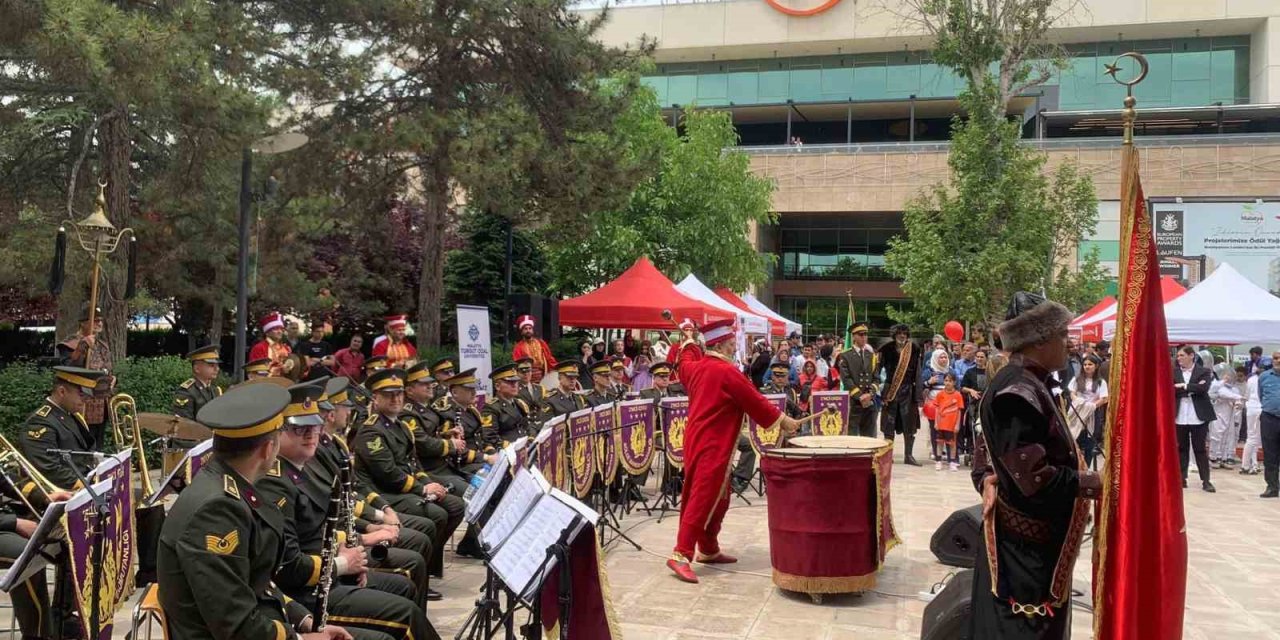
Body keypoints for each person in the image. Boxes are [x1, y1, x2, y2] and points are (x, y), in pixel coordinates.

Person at [158, 383, 359, 640]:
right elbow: (236, 625)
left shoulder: (228, 487)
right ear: (267, 449)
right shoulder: (217, 510)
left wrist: (303, 619)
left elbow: (257, 581)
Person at [969, 292, 1101, 639]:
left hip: (1034, 554)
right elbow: (1036, 481)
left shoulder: (1032, 383)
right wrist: (1097, 483)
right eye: (1062, 334)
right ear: (1038, 339)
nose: (1068, 343)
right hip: (1023, 559)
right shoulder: (1018, 392)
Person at [257, 382, 435, 635]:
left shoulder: (302, 468)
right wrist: (343, 563)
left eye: (314, 426)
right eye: (298, 429)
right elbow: (288, 565)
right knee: (405, 611)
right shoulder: (275, 482)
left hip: (326, 574)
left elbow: (321, 529)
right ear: (277, 433)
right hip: (306, 592)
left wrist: (349, 554)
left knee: (403, 588)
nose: (310, 435)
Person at [666, 318, 800, 584]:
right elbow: (754, 400)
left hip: (699, 439)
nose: (733, 349)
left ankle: (708, 546)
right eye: (731, 344)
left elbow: (683, 363)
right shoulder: (727, 372)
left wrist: (690, 342)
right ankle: (681, 553)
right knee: (703, 495)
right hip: (713, 442)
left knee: (721, 495)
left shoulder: (696, 367)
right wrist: (785, 420)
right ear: (725, 345)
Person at [350, 369, 464, 578]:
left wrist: (428, 483)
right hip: (383, 492)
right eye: (388, 395)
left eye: (398, 394)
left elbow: (413, 463)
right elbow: (388, 473)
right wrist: (422, 489)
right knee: (436, 515)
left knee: (455, 506)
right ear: (375, 398)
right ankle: (421, 570)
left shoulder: (401, 426)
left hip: (402, 488)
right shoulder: (370, 430)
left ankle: (429, 568)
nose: (395, 399)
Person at [876, 324, 923, 466]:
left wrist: (918, 394)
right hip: (891, 390)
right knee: (889, 424)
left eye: (904, 333)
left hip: (908, 391)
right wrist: (878, 389)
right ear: (894, 334)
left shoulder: (914, 349)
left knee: (909, 424)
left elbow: (917, 373)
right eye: (899, 333)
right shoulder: (886, 349)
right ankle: (888, 456)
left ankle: (908, 455)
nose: (902, 336)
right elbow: (877, 370)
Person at [1173, 345, 1216, 492]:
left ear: (1191, 355)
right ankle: (1181, 478)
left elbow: (1203, 389)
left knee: (1200, 449)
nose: (1179, 358)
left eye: (1182, 355)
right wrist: (1192, 388)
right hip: (1180, 415)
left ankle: (1206, 480)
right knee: (1181, 448)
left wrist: (1184, 386)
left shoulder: (1203, 371)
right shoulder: (1174, 372)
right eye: (1178, 356)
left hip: (1198, 415)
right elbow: (1170, 389)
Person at [837, 323, 880, 437]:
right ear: (854, 336)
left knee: (870, 437)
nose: (864, 337)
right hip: (854, 401)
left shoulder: (871, 355)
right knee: (852, 436)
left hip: (869, 402)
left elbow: (876, 378)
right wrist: (860, 396)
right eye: (861, 334)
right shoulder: (845, 356)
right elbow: (846, 379)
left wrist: (870, 394)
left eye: (865, 334)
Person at [1067, 355, 1108, 469]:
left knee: (1089, 443)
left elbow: (1104, 398)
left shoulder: (1101, 382)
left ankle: (1087, 469)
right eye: (1085, 364)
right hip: (1077, 412)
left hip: (1092, 414)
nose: (1087, 367)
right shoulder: (1077, 379)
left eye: (1090, 364)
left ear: (1096, 366)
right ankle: (1075, 468)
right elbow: (1072, 393)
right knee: (1075, 441)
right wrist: (1080, 403)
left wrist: (1091, 406)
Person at [481, 363, 535, 449]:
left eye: (516, 381)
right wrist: (511, 446)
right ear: (497, 386)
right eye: (510, 382)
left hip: (525, 446)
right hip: (508, 450)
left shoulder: (519, 403)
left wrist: (531, 438)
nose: (515, 385)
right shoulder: (491, 408)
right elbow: (490, 437)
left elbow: (528, 424)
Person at [173, 344, 225, 420]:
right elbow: (185, 424)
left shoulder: (216, 390)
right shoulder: (186, 392)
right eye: (211, 365)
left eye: (217, 365)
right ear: (197, 368)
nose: (217, 369)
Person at [1208, 367, 1244, 468]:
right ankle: (1213, 457)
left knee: (1228, 437)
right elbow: (1223, 394)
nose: (1228, 377)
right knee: (1216, 436)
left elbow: (1236, 400)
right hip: (1218, 414)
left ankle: (1224, 457)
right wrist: (1238, 398)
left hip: (1230, 415)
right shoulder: (1217, 386)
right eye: (1225, 375)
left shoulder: (1234, 389)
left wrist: (1238, 403)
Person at [1258, 352, 1280, 498]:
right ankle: (1272, 487)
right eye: (1276, 358)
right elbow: (1261, 396)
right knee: (1270, 454)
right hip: (1269, 419)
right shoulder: (1264, 377)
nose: (1278, 361)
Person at [511, 315, 557, 383]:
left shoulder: (541, 343)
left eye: (530, 328)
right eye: (525, 329)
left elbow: (549, 358)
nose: (528, 331)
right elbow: (517, 365)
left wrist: (558, 368)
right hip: (527, 377)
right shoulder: (518, 347)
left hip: (543, 377)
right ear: (522, 331)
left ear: (532, 330)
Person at [923, 349, 951, 461]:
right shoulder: (929, 372)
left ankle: (949, 454)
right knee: (934, 429)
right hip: (933, 405)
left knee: (948, 429)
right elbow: (922, 385)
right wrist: (929, 382)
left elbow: (957, 386)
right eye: (941, 357)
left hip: (948, 405)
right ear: (935, 358)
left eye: (945, 357)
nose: (943, 359)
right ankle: (936, 453)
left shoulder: (951, 371)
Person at [933, 373, 964, 472]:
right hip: (941, 423)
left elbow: (959, 411)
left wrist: (957, 424)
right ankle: (938, 461)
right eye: (946, 380)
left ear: (954, 382)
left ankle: (952, 462)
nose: (948, 383)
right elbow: (937, 409)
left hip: (952, 425)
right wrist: (936, 422)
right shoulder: (940, 394)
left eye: (950, 381)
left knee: (952, 444)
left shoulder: (958, 395)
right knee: (939, 443)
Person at [249, 311, 294, 378]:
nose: (280, 332)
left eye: (281, 329)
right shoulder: (259, 348)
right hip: (266, 385)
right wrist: (280, 369)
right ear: (267, 332)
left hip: (285, 384)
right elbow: (256, 372)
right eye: (276, 329)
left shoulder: (286, 348)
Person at [1242, 365, 1264, 477]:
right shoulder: (1266, 378)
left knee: (1251, 437)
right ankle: (1251, 465)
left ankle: (1248, 465)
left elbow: (1246, 395)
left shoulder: (1251, 379)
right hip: (1260, 408)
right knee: (1255, 438)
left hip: (1251, 408)